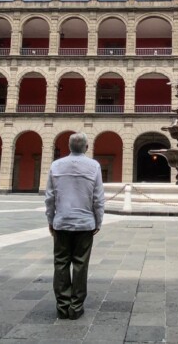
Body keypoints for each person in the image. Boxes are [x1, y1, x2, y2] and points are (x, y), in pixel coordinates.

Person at [45, 132, 105, 320]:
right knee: (81, 265)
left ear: (68, 147)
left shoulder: (56, 165)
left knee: (61, 263)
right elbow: (98, 198)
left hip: (62, 222)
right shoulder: (94, 166)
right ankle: (76, 307)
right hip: (85, 224)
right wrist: (99, 220)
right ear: (87, 147)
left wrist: (50, 220)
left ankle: (62, 307)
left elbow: (50, 198)